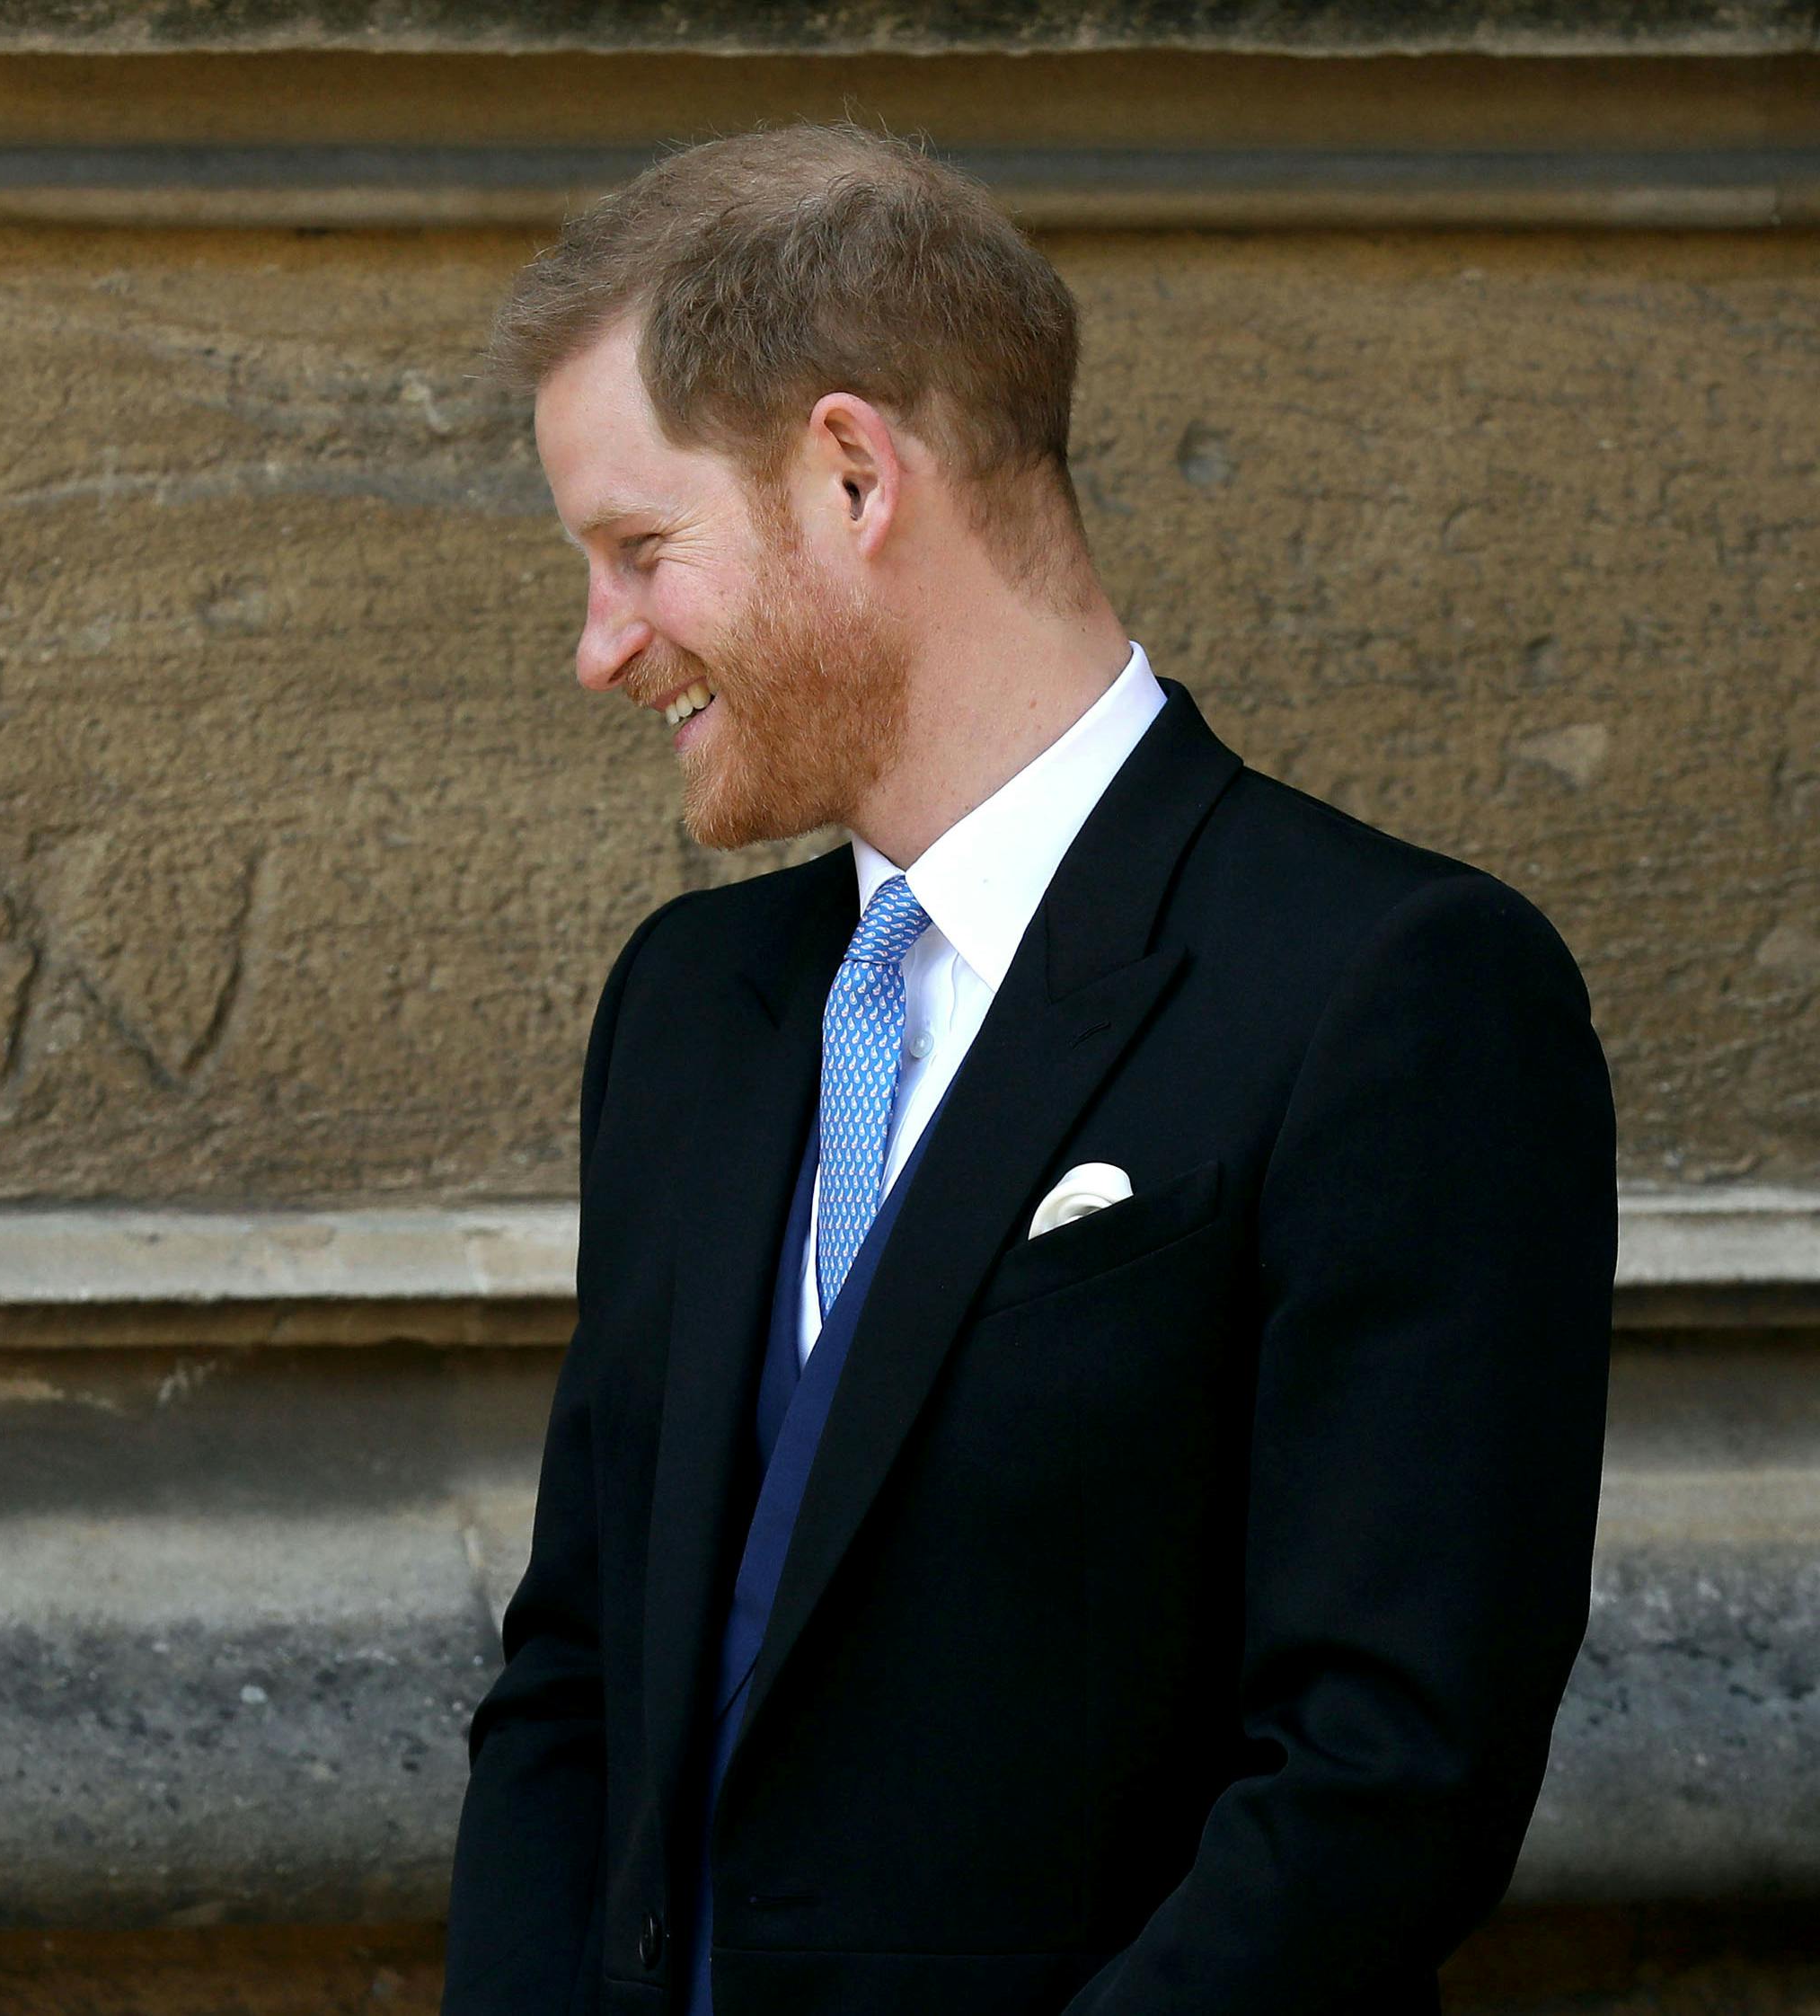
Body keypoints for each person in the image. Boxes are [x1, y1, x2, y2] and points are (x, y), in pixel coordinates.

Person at [444, 128, 1612, 2015]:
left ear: (849, 474)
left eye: (637, 551)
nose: (598, 650)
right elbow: (575, 1673)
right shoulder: (692, 1006)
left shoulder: (1390, 992)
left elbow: (1383, 1778)